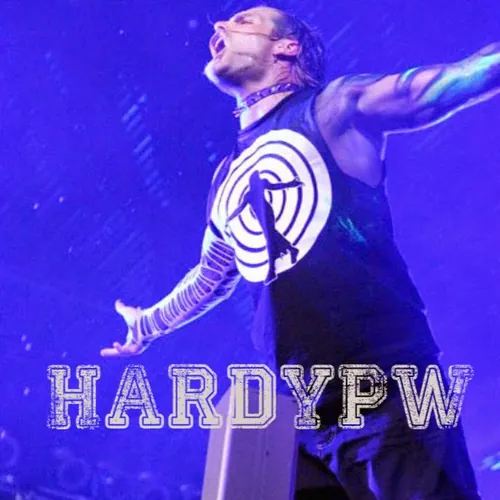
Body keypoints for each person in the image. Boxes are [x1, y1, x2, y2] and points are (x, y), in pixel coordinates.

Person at [100, 5, 499, 498]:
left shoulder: (333, 109)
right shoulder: (227, 175)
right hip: (300, 415)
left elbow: (433, 88)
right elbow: (211, 275)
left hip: (389, 384)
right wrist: (149, 324)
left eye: (244, 22)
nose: (219, 27)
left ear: (287, 47)